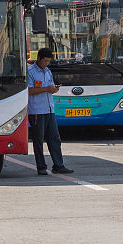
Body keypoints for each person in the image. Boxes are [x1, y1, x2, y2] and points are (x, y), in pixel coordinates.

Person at [27, 47, 73, 176]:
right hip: (37, 110)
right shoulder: (30, 72)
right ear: (38, 59)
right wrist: (46, 89)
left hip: (49, 109)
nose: (46, 64)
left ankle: (58, 165)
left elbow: (50, 87)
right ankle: (41, 167)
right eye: (45, 61)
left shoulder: (48, 71)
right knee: (38, 140)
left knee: (55, 138)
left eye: (48, 61)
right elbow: (29, 91)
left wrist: (53, 89)